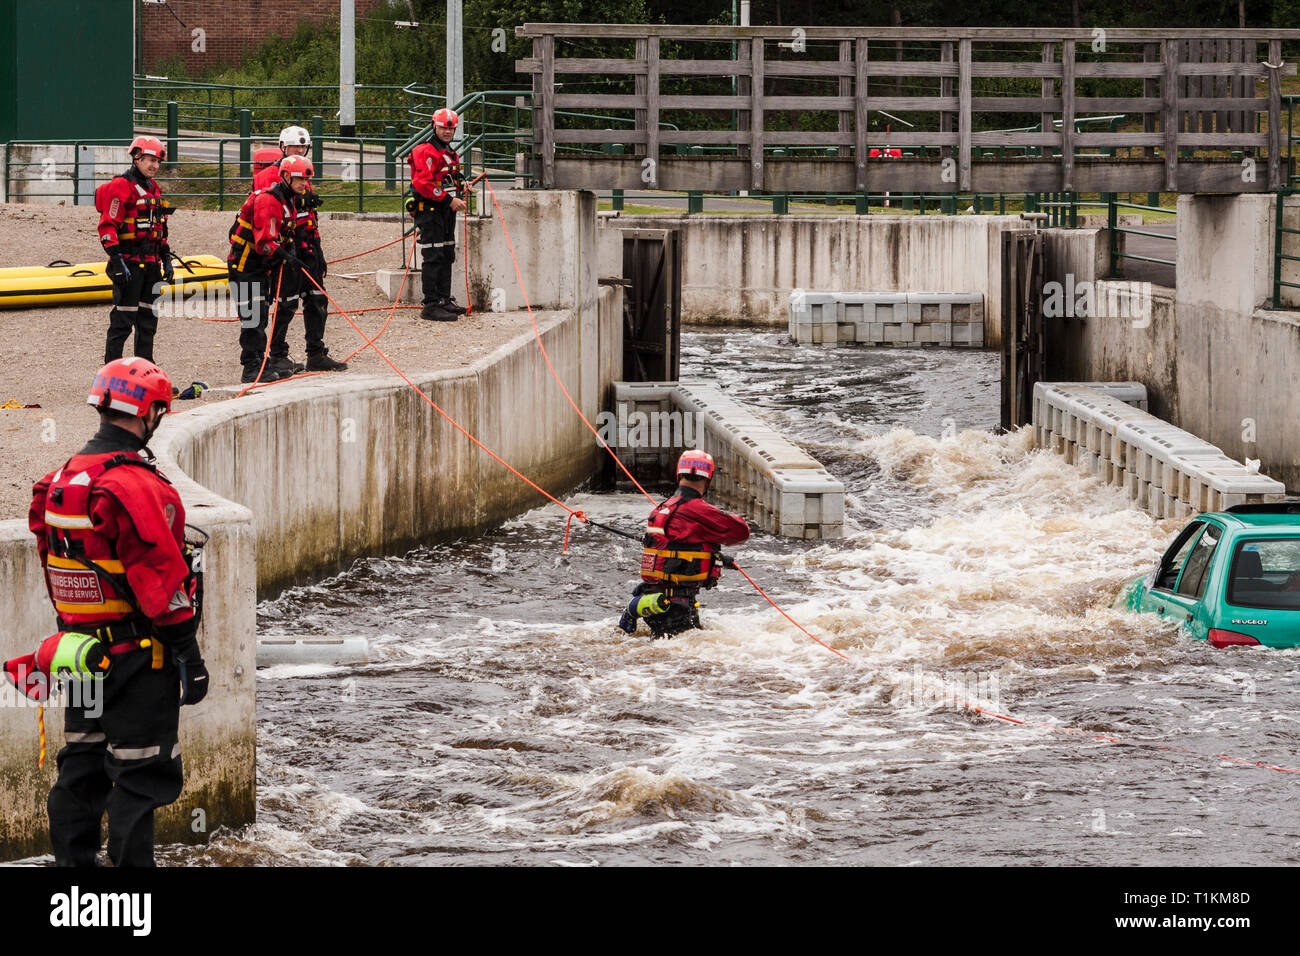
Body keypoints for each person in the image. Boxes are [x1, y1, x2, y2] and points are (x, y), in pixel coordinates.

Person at [27, 358, 207, 867]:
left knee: (80, 770)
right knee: (140, 777)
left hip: (80, 655)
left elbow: (54, 567)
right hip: (137, 658)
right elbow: (163, 584)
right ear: (149, 412)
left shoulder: (59, 480)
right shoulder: (135, 486)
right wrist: (189, 658)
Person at [619, 449, 751, 637]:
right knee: (688, 659)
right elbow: (741, 532)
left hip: (655, 599)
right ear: (708, 478)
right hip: (676, 604)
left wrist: (714, 556)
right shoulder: (698, 510)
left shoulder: (662, 509)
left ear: (679, 474)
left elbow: (678, 547)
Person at [227, 154, 316, 384]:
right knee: (253, 316)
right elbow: (264, 243)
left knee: (261, 314)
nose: (302, 185)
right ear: (285, 176)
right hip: (245, 265)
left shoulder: (289, 201)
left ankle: (260, 360)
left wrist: (296, 254)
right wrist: (288, 258)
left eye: (305, 181)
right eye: (298, 179)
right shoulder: (269, 200)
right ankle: (250, 367)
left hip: (261, 266)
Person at [95, 137, 174, 364]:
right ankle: (111, 371)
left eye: (158, 161)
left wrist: (166, 258)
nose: (154, 166)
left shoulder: (154, 189)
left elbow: (159, 227)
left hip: (151, 264)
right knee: (122, 319)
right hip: (129, 263)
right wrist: (117, 260)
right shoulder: (121, 186)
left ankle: (145, 370)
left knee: (148, 321)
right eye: (150, 160)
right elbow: (107, 225)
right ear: (136, 157)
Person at [407, 107, 468, 322]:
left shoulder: (450, 152)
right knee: (432, 255)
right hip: (431, 211)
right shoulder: (424, 151)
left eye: (451, 128)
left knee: (447, 253)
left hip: (446, 210)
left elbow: (449, 177)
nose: (447, 131)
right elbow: (422, 183)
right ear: (435, 126)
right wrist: (449, 199)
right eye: (443, 127)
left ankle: (444, 299)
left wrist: (461, 184)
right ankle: (431, 304)